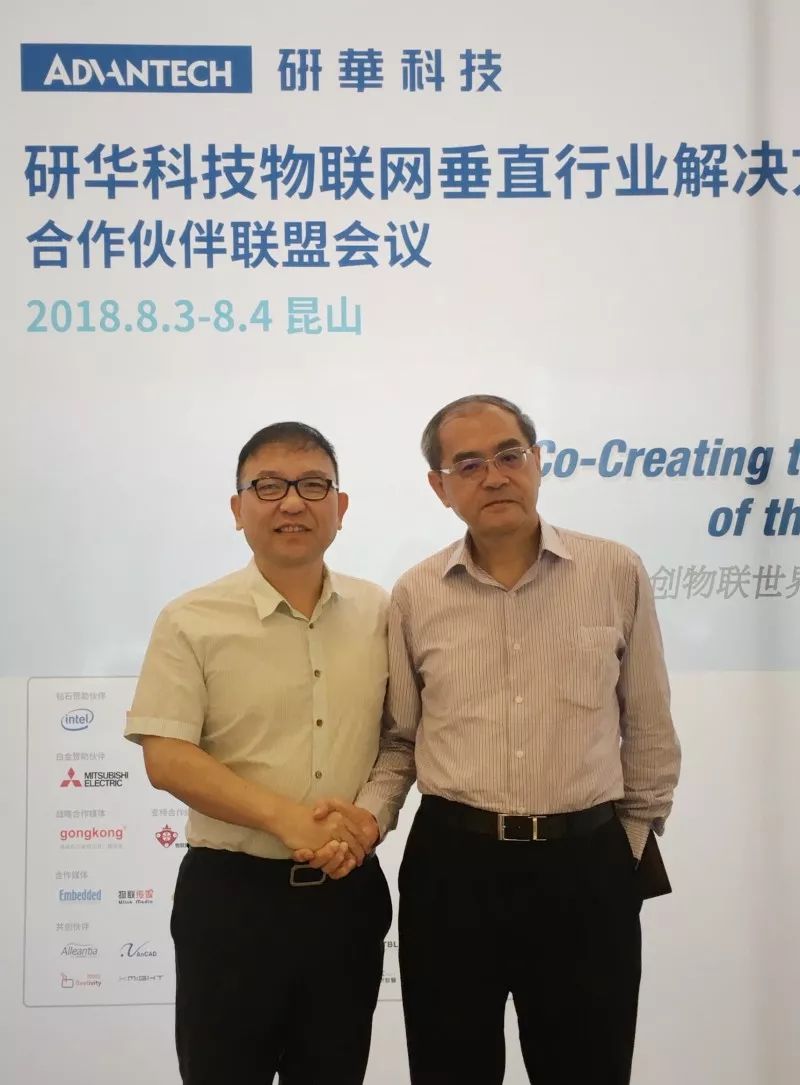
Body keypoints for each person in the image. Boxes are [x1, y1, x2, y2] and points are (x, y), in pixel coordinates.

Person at [300, 394, 681, 1085]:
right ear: (439, 487)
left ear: (538, 461)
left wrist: (623, 847)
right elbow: (400, 741)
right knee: (452, 1068)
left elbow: (650, 727)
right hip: (454, 870)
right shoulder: (416, 593)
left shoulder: (614, 571)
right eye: (468, 464)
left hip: (585, 869)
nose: (495, 475)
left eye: (509, 455)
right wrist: (366, 822)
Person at [124, 422, 391, 1085]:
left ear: (341, 507)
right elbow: (167, 755)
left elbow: (401, 738)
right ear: (237, 507)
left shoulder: (381, 612)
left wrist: (367, 821)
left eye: (313, 485)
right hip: (231, 902)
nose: (292, 502)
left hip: (348, 897)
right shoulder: (190, 619)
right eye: (268, 486)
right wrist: (287, 819)